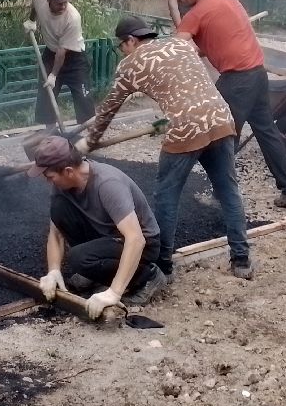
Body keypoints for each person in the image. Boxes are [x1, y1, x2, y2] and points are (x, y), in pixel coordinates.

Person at [84, 16, 255, 280]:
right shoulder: (181, 44)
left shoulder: (130, 64)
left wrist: (90, 142)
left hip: (185, 127)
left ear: (130, 41)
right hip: (221, 117)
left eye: (122, 45)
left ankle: (162, 264)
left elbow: (108, 109)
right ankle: (241, 259)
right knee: (228, 190)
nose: (123, 51)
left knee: (166, 197)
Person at [175, 0, 286, 208]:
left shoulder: (196, 12)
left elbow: (176, 47)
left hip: (237, 80)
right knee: (267, 132)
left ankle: (222, 196)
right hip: (257, 74)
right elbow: (226, 36)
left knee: (222, 138)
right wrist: (204, 50)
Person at [32, 135, 166, 317]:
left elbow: (136, 239)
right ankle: (97, 268)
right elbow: (56, 233)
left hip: (142, 244)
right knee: (59, 209)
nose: (47, 182)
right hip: (107, 236)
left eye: (49, 177)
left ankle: (147, 276)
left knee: (79, 258)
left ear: (69, 171)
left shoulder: (108, 184)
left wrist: (114, 293)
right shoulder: (62, 186)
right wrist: (53, 270)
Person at [25, 0, 96, 130]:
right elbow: (35, 5)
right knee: (46, 95)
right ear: (48, 0)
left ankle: (90, 137)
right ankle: (51, 134)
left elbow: (62, 51)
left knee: (84, 97)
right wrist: (32, 20)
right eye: (59, 3)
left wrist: (53, 75)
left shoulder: (73, 17)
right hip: (51, 55)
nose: (63, 6)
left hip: (74, 59)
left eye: (66, 2)